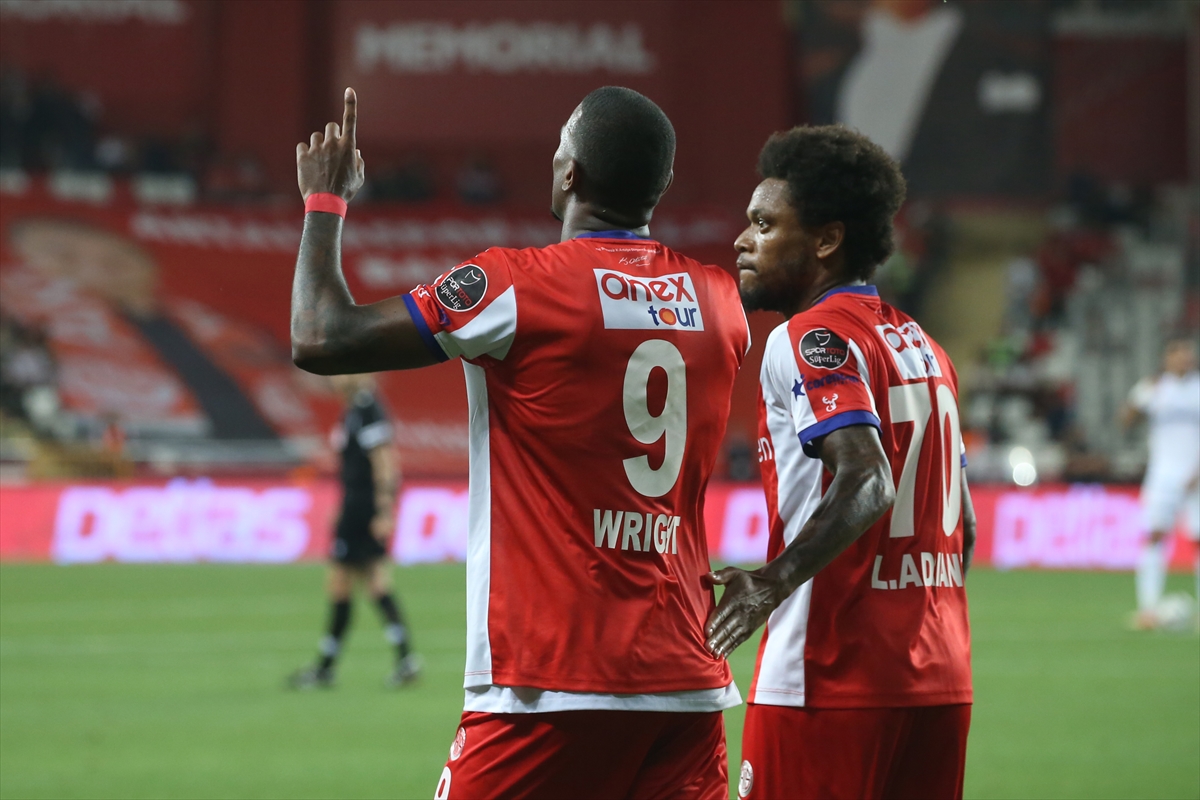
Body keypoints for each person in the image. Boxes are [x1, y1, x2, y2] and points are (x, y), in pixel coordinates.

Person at [290, 87, 750, 798]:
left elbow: (321, 337)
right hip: (686, 685)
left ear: (571, 174)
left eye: (561, 146)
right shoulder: (719, 300)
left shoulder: (516, 286)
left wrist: (325, 201)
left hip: (550, 682)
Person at [706, 125, 973, 800]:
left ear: (826, 240)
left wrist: (770, 584)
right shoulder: (925, 347)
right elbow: (964, 526)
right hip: (939, 680)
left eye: (764, 224)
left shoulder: (808, 336)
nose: (742, 241)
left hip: (827, 679)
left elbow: (868, 478)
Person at [289, 373, 420, 688]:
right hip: (356, 505)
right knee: (373, 583)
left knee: (344, 583)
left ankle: (326, 667)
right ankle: (405, 659)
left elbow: (385, 461)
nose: (336, 377)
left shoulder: (367, 408)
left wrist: (385, 509)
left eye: (343, 371)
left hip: (364, 508)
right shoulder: (355, 408)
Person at [1121, 336, 1200, 629]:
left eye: (1187, 354)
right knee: (1155, 536)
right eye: (1178, 354)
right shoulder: (1155, 388)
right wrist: (1138, 398)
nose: (1184, 359)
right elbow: (1125, 421)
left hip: (1196, 476)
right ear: (1167, 359)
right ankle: (1149, 610)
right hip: (1163, 475)